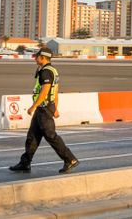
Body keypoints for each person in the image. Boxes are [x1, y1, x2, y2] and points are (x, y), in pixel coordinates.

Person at [9, 46, 79, 174]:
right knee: (32, 136)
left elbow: (45, 90)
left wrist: (34, 106)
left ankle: (70, 159)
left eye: (37, 56)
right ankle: (25, 163)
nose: (35, 58)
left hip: (44, 109)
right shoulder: (51, 70)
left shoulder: (46, 72)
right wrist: (55, 108)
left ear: (43, 57)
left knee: (50, 135)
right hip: (46, 107)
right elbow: (55, 91)